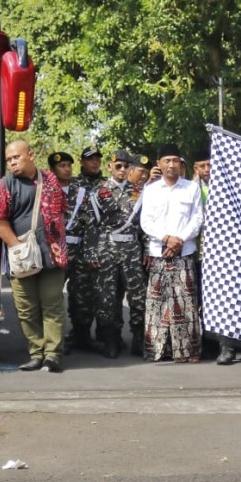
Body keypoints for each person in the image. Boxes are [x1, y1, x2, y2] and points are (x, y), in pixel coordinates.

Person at [0, 140, 69, 373]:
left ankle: (53, 355)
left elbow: (62, 210)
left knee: (52, 305)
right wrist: (18, 247)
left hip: (51, 256)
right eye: (9, 159)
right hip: (21, 257)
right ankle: (36, 353)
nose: (13, 162)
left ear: (31, 155)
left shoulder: (51, 180)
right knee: (26, 309)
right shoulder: (5, 185)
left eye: (17, 157)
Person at [140, 144, 204, 363]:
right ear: (159, 164)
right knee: (158, 302)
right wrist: (167, 238)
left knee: (186, 302)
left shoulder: (191, 188)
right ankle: (158, 350)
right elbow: (146, 221)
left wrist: (180, 240)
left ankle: (188, 350)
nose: (171, 165)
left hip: (184, 252)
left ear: (181, 164)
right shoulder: (150, 189)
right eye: (167, 161)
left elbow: (197, 219)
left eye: (175, 160)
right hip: (159, 252)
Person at [96, 149, 147, 357]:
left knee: (138, 297)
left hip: (132, 251)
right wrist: (93, 254)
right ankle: (112, 340)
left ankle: (138, 339)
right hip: (108, 250)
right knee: (109, 297)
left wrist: (146, 251)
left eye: (127, 166)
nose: (123, 170)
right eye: (119, 166)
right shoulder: (100, 191)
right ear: (110, 167)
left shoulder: (138, 191)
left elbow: (144, 224)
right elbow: (93, 225)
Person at [64, 146, 105, 355]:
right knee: (61, 293)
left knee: (84, 294)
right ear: (82, 161)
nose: (94, 163)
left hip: (91, 247)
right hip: (66, 246)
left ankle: (84, 335)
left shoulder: (105, 185)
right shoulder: (72, 184)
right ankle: (68, 336)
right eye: (90, 159)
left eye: (97, 159)